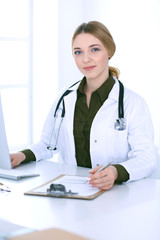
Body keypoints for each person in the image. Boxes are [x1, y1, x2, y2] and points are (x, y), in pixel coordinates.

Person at [10, 21, 156, 190]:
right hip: (73, 190)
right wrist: (21, 155)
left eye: (94, 49)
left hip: (117, 194)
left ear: (109, 51)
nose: (85, 59)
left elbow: (146, 158)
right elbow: (47, 143)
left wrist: (116, 172)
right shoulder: (65, 98)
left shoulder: (133, 103)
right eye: (78, 52)